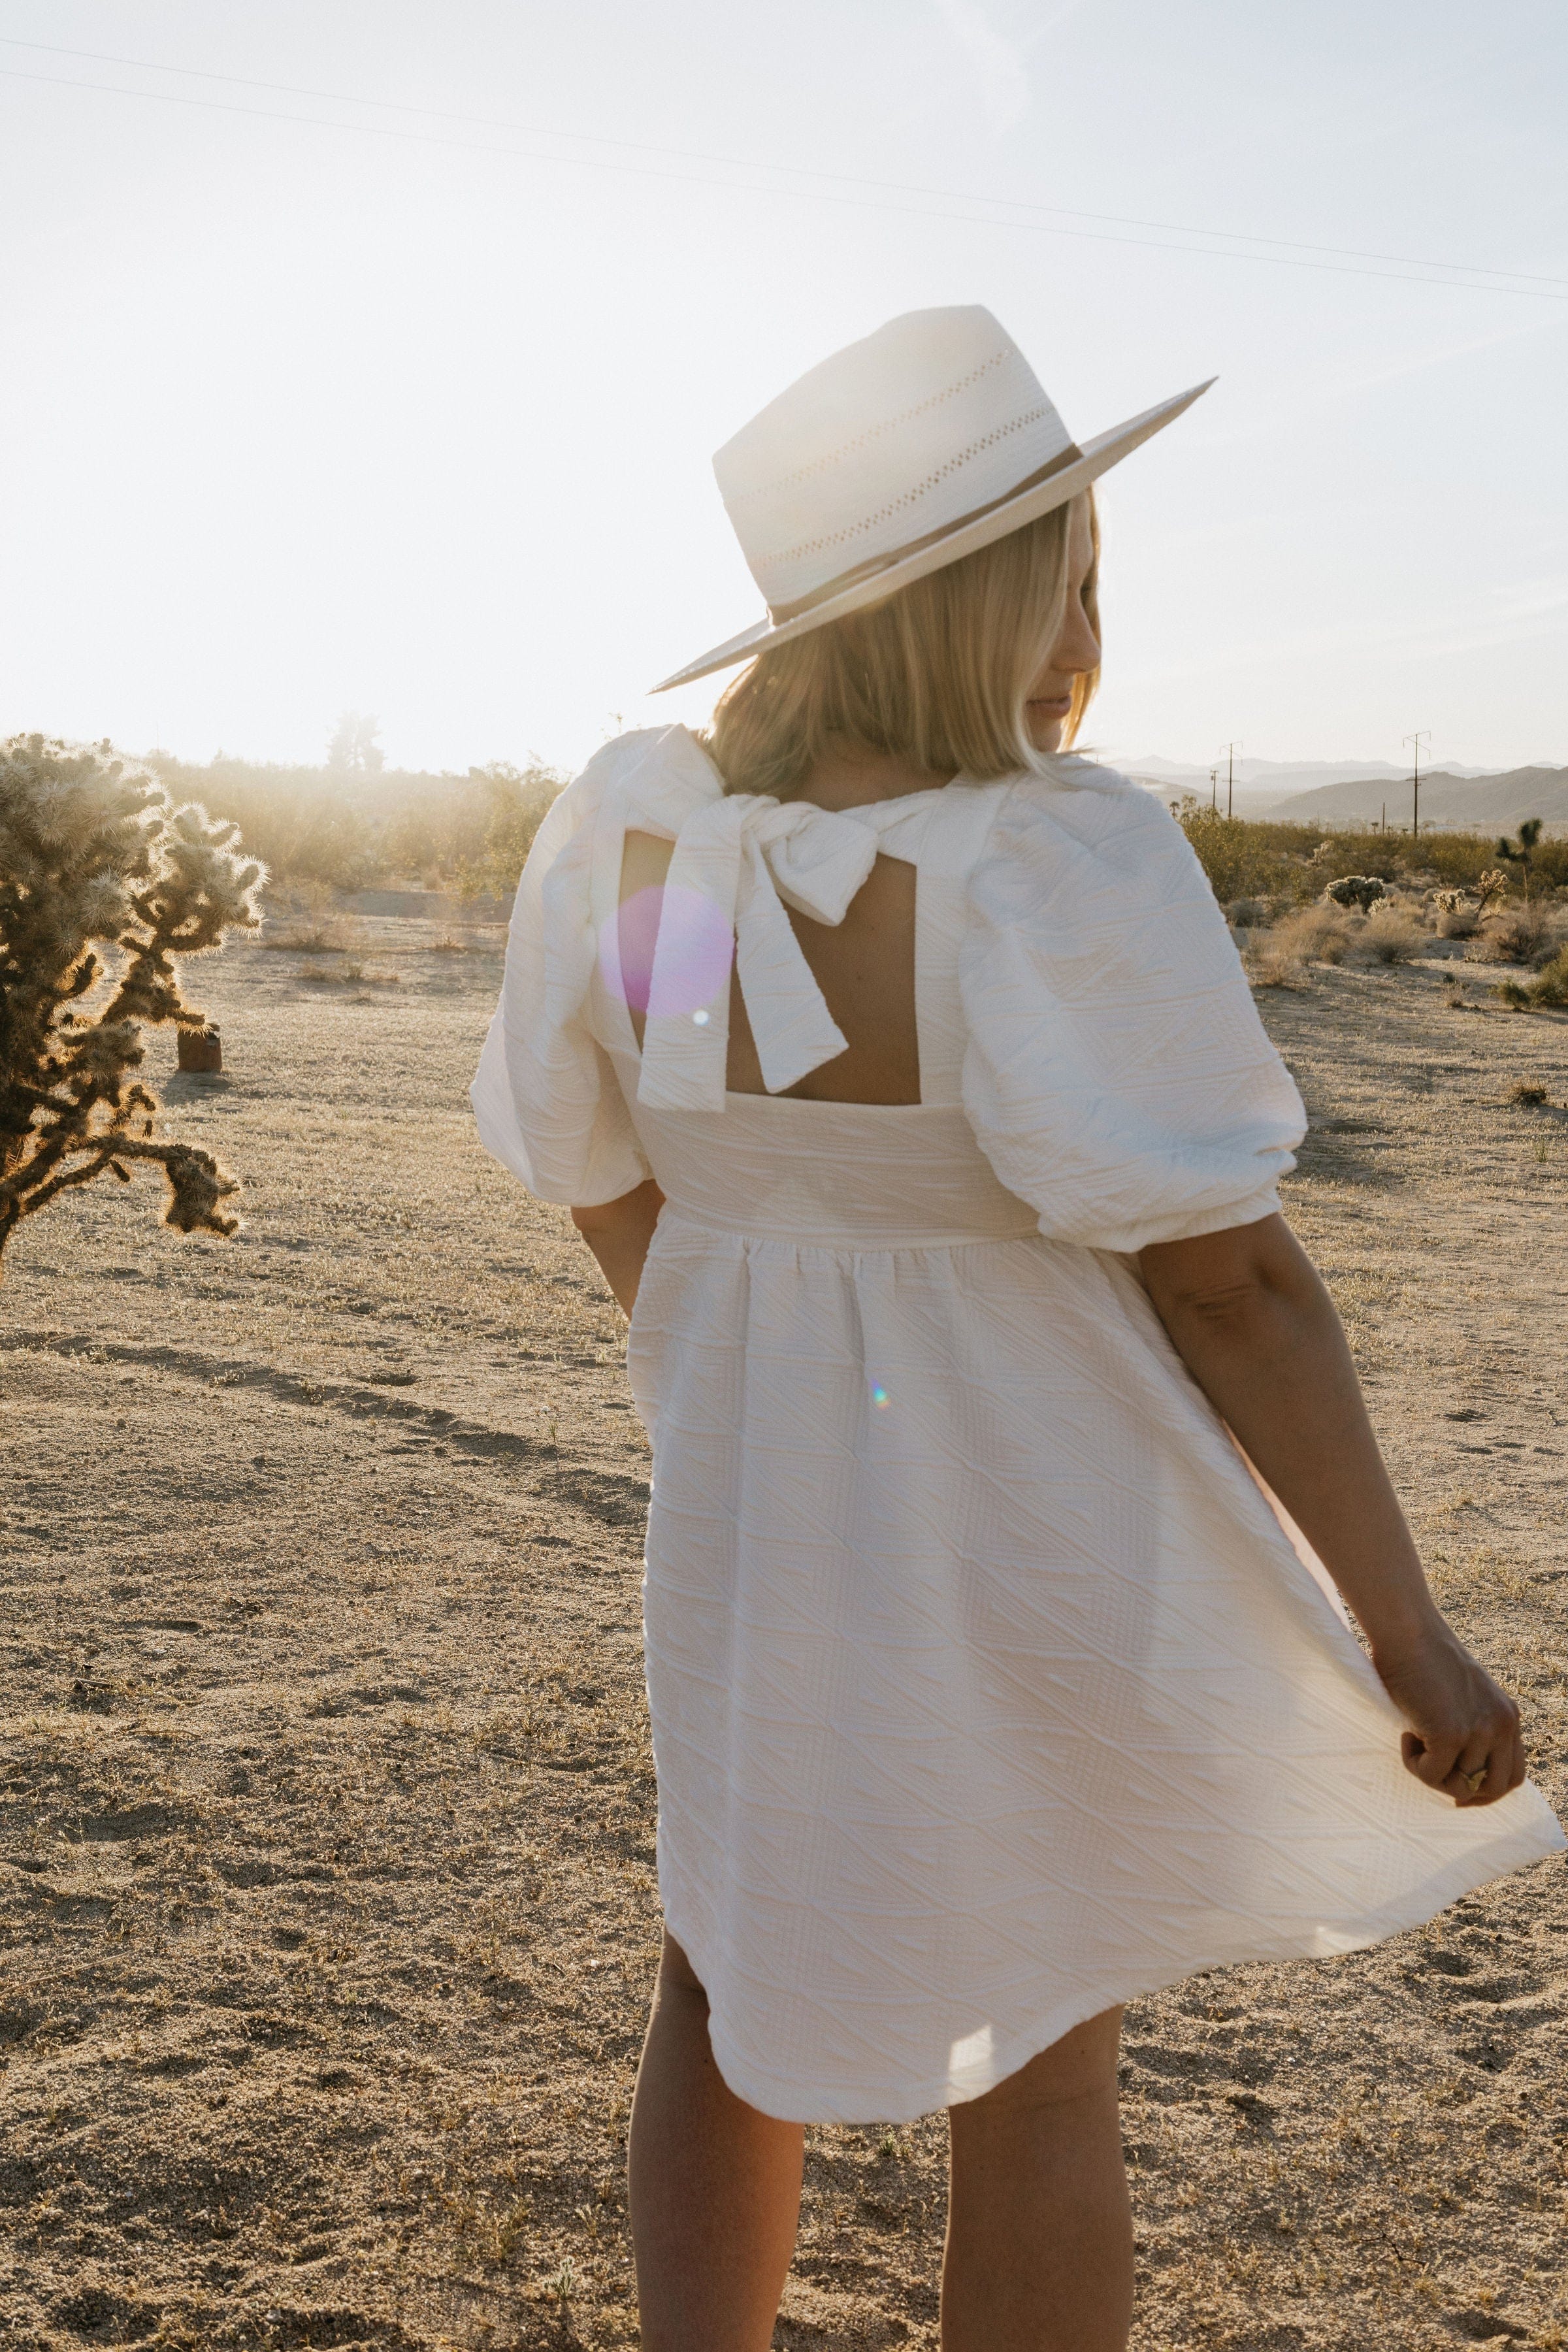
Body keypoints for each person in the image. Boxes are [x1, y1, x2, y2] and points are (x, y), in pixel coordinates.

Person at [472, 307, 1563, 2352]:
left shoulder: (647, 831)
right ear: (1016, 584)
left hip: (754, 1507)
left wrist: (719, 1356)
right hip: (1041, 1512)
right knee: (1043, 2036)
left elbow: (599, 1156)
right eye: (1078, 553)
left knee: (721, 1972)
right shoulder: (1048, 856)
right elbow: (1225, 1278)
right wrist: (1402, 1634)